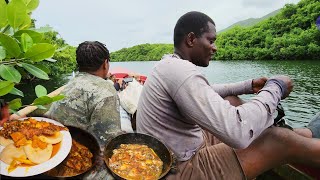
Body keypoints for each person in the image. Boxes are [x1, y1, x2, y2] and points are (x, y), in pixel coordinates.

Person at [136, 11, 320, 180]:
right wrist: (276, 87)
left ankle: (308, 133)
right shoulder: (180, 71)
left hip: (176, 151)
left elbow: (207, 91)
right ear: (191, 39)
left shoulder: (169, 65)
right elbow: (237, 132)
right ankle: (300, 138)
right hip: (177, 170)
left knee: (231, 101)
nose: (214, 47)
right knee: (278, 140)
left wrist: (247, 86)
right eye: (211, 40)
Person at [45, 41, 122, 179]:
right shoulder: (106, 91)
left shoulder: (69, 84)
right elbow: (109, 141)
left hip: (53, 153)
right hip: (78, 161)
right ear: (105, 63)